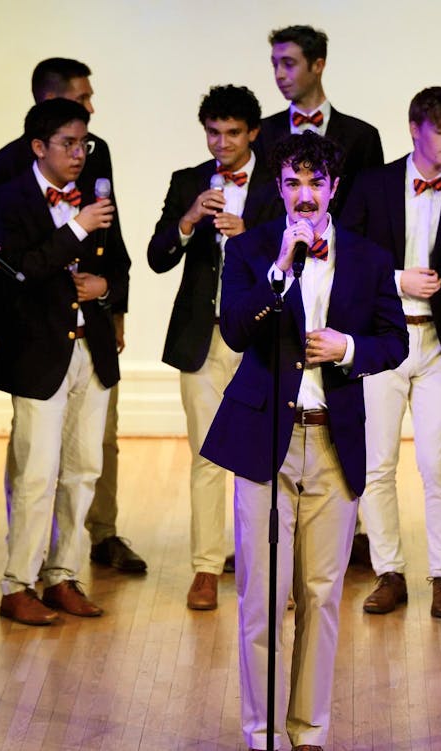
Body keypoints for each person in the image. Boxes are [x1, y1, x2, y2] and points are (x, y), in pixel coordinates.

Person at [200, 131, 407, 750]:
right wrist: (279, 272)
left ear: (334, 189)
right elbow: (235, 330)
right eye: (293, 183)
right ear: (279, 188)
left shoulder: (369, 258)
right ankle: (261, 733)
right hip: (265, 437)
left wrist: (348, 349)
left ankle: (309, 731)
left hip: (333, 443)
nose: (305, 196)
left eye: (316, 183)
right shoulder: (253, 249)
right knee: (262, 598)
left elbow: (392, 342)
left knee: (322, 596)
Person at [0, 57, 145, 575]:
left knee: (84, 467)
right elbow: (7, 266)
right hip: (37, 340)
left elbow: (114, 250)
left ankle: (65, 573)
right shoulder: (6, 179)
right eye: (71, 140)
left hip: (89, 340)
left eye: (84, 143)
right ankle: (20, 579)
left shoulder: (95, 167)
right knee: (35, 469)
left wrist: (112, 296)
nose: (81, 152)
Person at [341, 86, 441, 618]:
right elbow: (343, 258)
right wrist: (399, 278)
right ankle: (389, 571)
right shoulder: (374, 184)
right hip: (383, 338)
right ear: (414, 129)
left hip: (437, 343)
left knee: (438, 462)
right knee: (377, 463)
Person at [148, 84, 283, 611]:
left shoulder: (279, 182)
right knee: (207, 456)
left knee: (268, 456)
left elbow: (302, 256)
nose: (221, 143)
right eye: (213, 132)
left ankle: (266, 568)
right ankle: (206, 568)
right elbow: (159, 256)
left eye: (232, 133)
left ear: (253, 132)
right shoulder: (188, 181)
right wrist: (186, 222)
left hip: (261, 338)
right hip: (202, 340)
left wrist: (249, 232)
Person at [255, 24, 384, 217]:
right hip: (274, 244)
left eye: (288, 64)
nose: (279, 74)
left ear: (318, 65)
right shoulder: (261, 132)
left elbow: (373, 205)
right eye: (275, 65)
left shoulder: (362, 136)